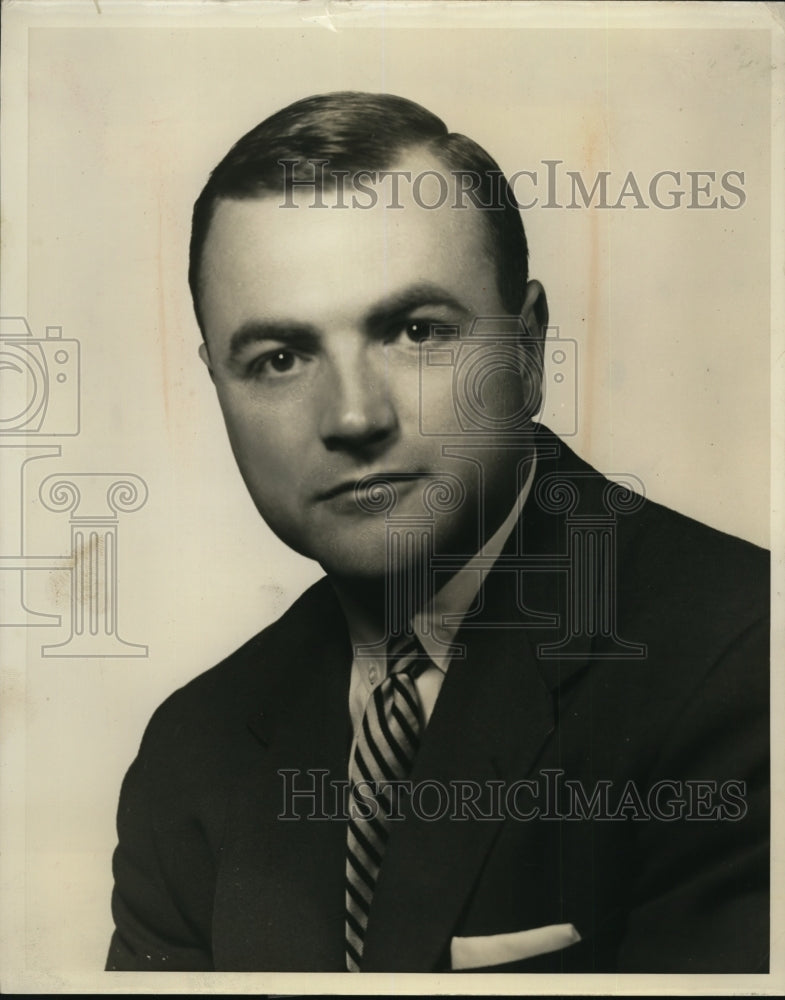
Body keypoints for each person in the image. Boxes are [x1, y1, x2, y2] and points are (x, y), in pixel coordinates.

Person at [106, 92, 769, 974]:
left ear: (526, 350)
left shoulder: (745, 662)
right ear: (218, 386)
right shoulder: (193, 752)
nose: (351, 416)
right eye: (278, 358)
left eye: (416, 332)